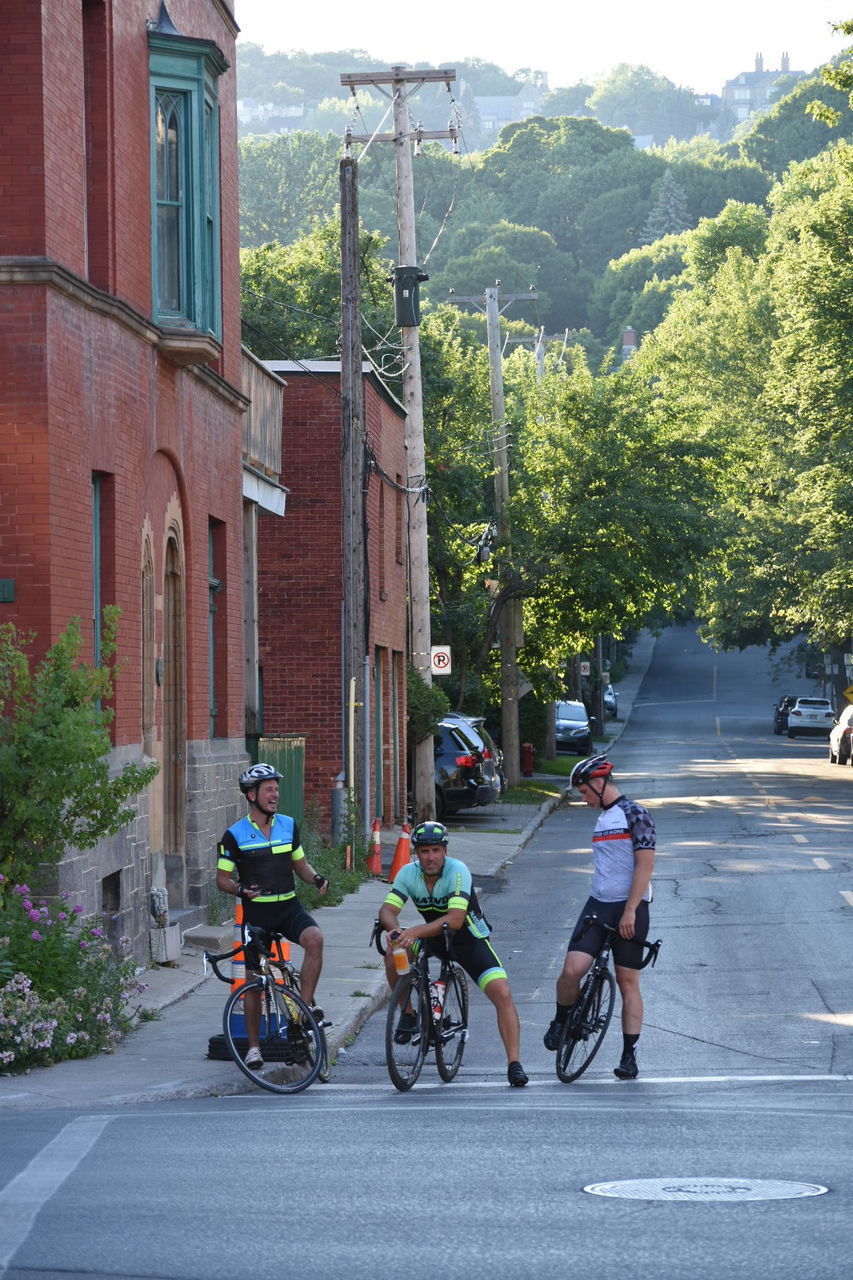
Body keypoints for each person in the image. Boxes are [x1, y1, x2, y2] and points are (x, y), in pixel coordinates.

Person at [379, 820, 529, 1087]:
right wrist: (394, 932)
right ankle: (409, 1013)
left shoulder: (458, 871)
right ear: (416, 853)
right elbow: (387, 911)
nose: (430, 857)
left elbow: (456, 919)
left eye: (436, 850)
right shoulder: (407, 873)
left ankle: (514, 1064)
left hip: (468, 939)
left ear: (445, 851)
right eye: (424, 851)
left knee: (502, 992)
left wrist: (414, 930)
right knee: (394, 955)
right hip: (430, 938)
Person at [543, 754, 655, 1080]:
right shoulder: (603, 817)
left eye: (583, 791)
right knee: (570, 971)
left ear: (599, 783)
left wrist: (631, 909)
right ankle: (563, 1020)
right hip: (598, 903)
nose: (583, 798)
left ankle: (629, 1056)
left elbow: (645, 866)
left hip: (631, 906)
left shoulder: (635, 813)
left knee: (627, 981)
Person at [216, 763, 329, 1068]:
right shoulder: (234, 835)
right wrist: (240, 891)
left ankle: (303, 1011)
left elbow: (300, 865)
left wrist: (317, 878)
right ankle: (254, 1048)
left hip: (289, 907)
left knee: (315, 939)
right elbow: (222, 880)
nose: (275, 794)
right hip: (258, 914)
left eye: (276, 788)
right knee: (254, 980)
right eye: (269, 789)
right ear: (251, 795)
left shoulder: (288, 825)